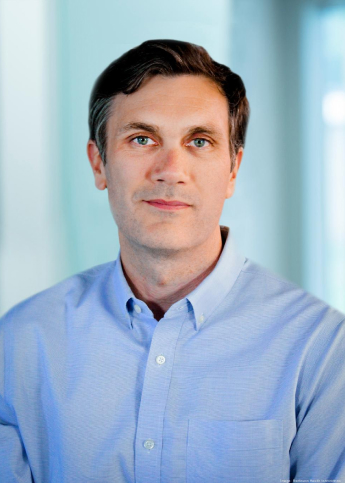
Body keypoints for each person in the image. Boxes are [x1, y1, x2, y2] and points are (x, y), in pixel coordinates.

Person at [0, 39, 344, 483]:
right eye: (142, 138)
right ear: (99, 164)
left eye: (199, 141)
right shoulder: (20, 343)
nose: (170, 168)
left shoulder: (321, 351)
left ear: (232, 170)